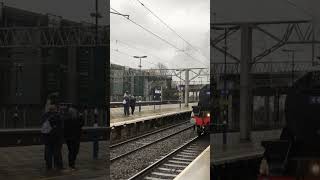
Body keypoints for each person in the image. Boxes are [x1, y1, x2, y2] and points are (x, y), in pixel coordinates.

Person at [41, 104, 64, 171]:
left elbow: (43, 126)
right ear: (55, 109)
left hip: (48, 138)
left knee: (48, 153)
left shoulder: (45, 116)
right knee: (57, 153)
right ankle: (58, 165)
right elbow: (61, 127)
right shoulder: (58, 116)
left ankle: (49, 166)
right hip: (56, 138)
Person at [63, 106, 83, 170]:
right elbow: (82, 124)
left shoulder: (66, 119)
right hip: (74, 138)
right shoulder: (76, 119)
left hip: (70, 138)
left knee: (72, 151)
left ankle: (71, 164)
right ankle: (72, 165)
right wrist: (81, 116)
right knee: (74, 151)